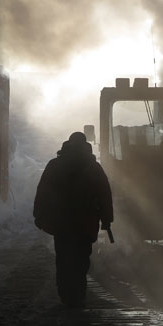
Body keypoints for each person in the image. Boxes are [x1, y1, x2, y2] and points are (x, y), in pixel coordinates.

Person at [33, 131, 113, 308]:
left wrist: (39, 214)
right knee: (81, 259)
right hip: (86, 224)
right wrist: (107, 219)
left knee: (63, 258)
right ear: (86, 147)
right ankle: (78, 294)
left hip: (62, 223)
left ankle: (65, 294)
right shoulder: (94, 167)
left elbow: (43, 191)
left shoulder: (55, 165)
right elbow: (104, 194)